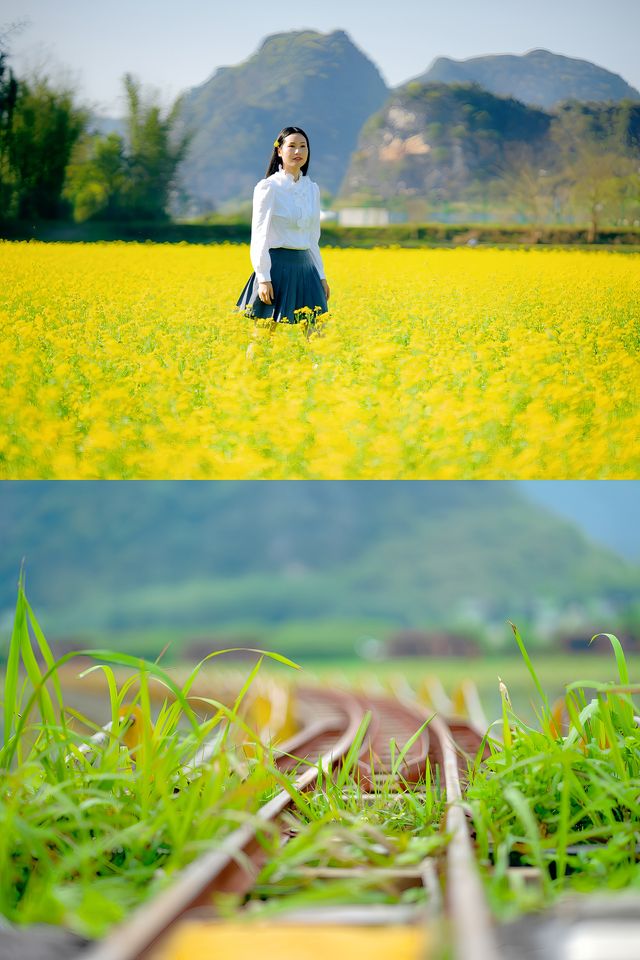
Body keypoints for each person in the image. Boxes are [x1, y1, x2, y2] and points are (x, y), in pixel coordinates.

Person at [236, 126, 330, 332]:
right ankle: (253, 366)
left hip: (307, 269)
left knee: (318, 337)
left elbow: (313, 237)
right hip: (276, 268)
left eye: (303, 146)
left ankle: (317, 367)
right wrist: (263, 278)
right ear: (279, 151)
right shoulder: (268, 187)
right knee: (263, 336)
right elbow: (259, 236)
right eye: (292, 146)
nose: (298, 152)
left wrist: (321, 275)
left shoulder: (312, 189)